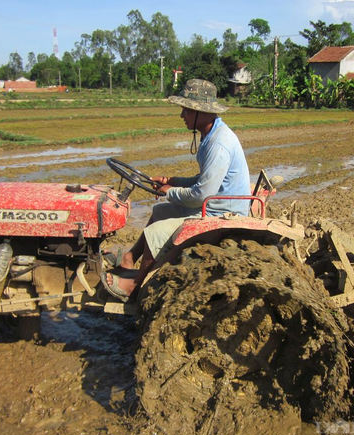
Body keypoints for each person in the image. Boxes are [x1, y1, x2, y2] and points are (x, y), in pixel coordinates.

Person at [102, 79, 250, 301]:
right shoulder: (211, 135)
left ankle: (135, 286)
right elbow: (203, 180)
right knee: (160, 212)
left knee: (158, 232)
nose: (182, 116)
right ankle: (130, 259)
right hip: (215, 204)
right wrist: (173, 181)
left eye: (186, 110)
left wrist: (169, 191)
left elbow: (201, 195)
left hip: (223, 213)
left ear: (202, 112)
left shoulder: (219, 144)